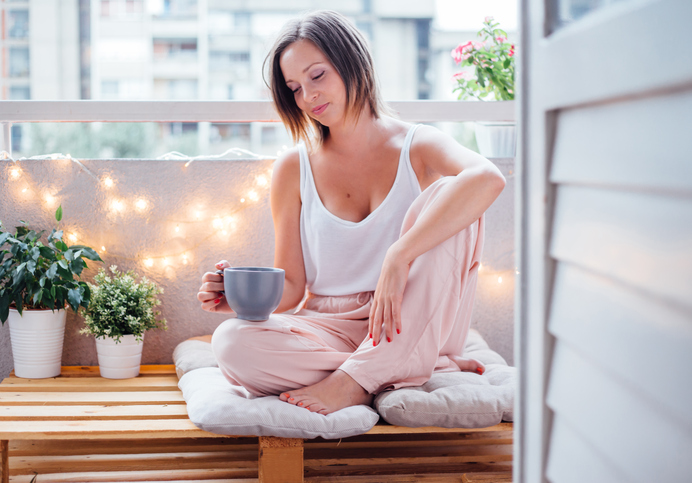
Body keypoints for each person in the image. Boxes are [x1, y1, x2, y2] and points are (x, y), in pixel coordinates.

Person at [197, 10, 506, 416]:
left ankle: (357, 378)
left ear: (352, 62)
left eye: (317, 76)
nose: (308, 97)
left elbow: (488, 178)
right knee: (231, 342)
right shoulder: (293, 168)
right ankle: (401, 368)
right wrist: (240, 302)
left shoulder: (419, 146)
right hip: (329, 327)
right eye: (294, 88)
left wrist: (399, 256)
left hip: (409, 316)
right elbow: (292, 287)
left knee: (455, 192)